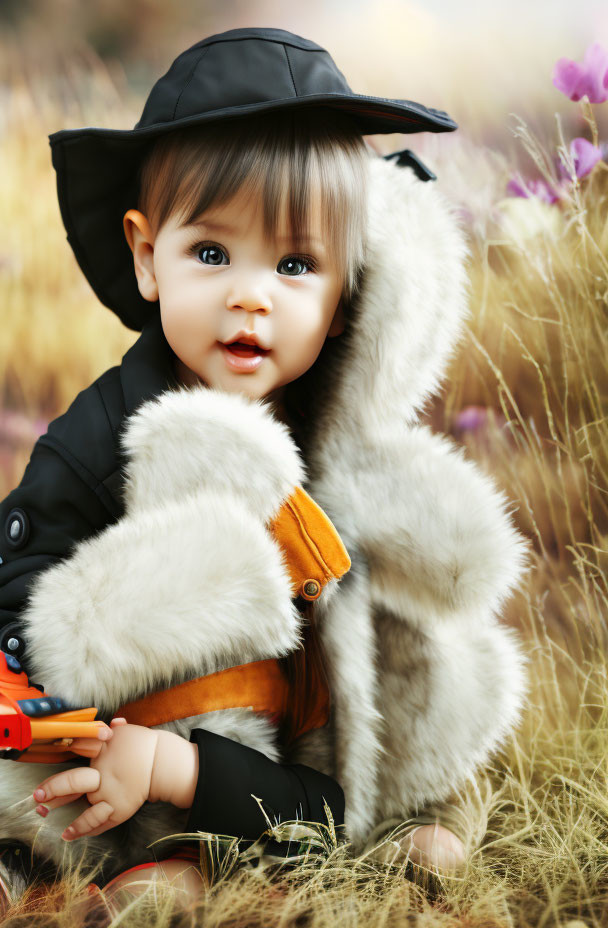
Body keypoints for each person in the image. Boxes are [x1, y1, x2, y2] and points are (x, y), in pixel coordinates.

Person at [0, 27, 528, 906]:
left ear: (346, 287)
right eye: (213, 254)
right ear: (147, 256)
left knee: (391, 783)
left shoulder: (333, 431)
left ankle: (399, 822)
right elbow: (21, 583)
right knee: (152, 861)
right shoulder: (109, 430)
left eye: (295, 265)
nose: (252, 294)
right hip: (158, 728)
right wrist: (68, 690)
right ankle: (149, 862)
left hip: (307, 737)